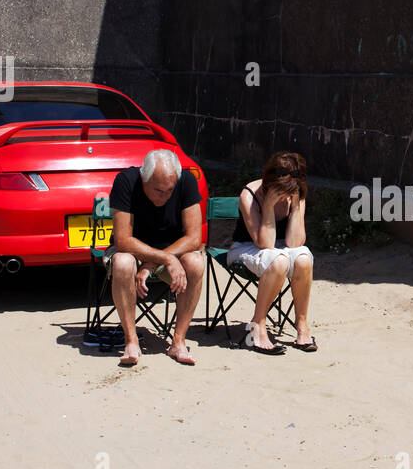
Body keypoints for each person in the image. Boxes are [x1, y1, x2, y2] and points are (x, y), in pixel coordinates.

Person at [107, 149, 205, 367]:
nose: (165, 196)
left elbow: (194, 237)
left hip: (172, 250)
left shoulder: (186, 180)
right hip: (133, 250)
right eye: (158, 190)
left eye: (170, 190)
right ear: (144, 178)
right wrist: (167, 260)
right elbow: (123, 240)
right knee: (122, 263)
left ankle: (178, 341)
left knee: (196, 263)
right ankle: (131, 340)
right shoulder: (126, 181)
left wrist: (152, 264)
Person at [227, 151, 317, 355]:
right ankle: (257, 324)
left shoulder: (297, 192)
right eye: (281, 190)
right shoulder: (249, 194)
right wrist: (268, 205)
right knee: (278, 260)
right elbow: (264, 243)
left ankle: (301, 324)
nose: (284, 195)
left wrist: (294, 206)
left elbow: (295, 242)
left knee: (303, 257)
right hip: (245, 247)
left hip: (280, 246)